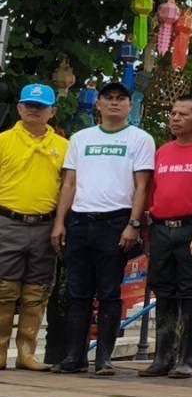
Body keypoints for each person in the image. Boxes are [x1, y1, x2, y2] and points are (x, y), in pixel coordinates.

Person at [50, 80, 154, 375]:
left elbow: (142, 185)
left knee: (110, 292)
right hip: (81, 219)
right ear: (98, 103)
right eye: (108, 98)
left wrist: (133, 224)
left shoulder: (140, 138)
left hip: (116, 220)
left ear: (129, 105)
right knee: (77, 292)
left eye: (121, 99)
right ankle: (75, 356)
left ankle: (104, 357)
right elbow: (69, 182)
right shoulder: (81, 138)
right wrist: (60, 222)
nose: (114, 103)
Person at [140, 95, 192, 379]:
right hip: (160, 228)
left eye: (183, 114)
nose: (175, 118)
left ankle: (186, 358)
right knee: (164, 290)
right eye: (173, 113)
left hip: (191, 228)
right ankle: (162, 356)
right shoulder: (163, 151)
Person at [0, 82, 68, 372]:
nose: (33, 110)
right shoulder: (3, 140)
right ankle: (0, 353)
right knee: (3, 290)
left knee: (36, 292)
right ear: (19, 108)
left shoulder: (64, 146)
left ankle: (27, 353)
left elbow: (68, 186)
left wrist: (60, 223)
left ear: (51, 112)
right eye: (29, 105)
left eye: (40, 106)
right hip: (7, 221)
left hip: (44, 225)